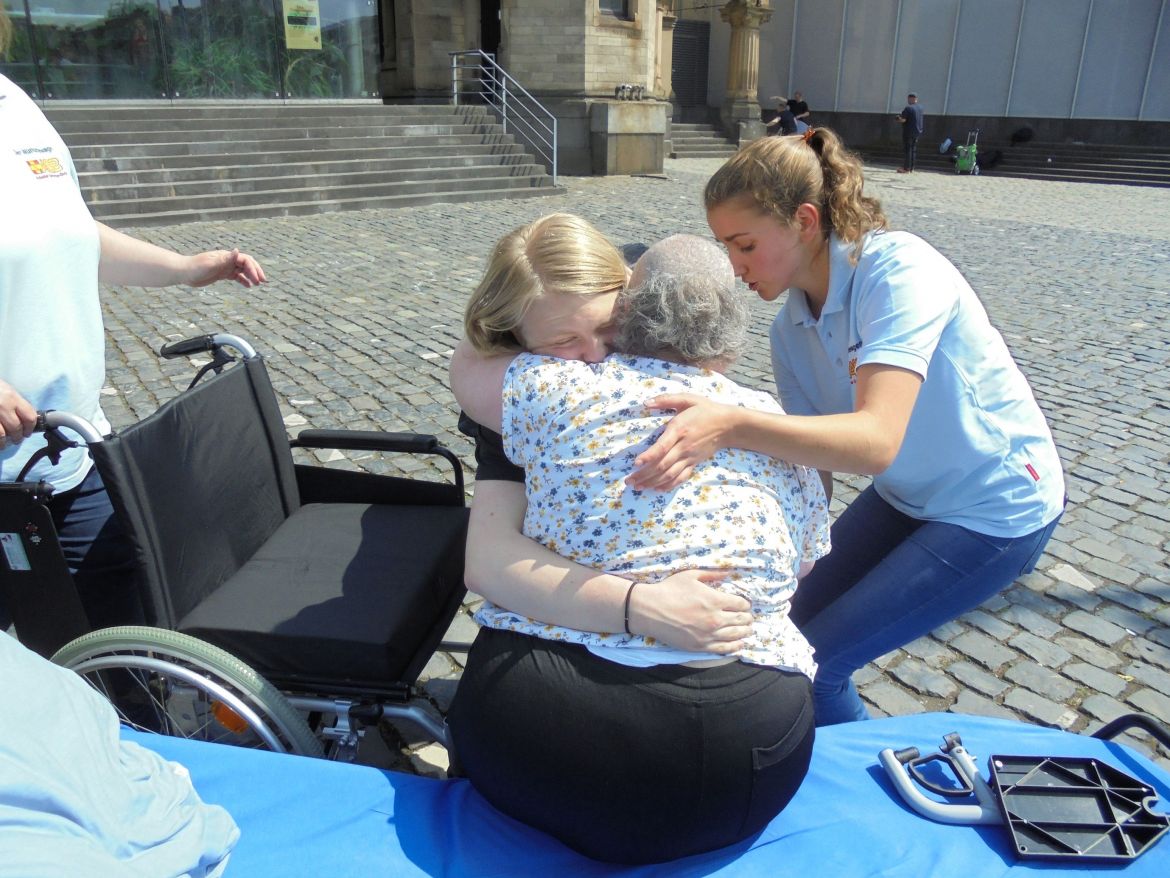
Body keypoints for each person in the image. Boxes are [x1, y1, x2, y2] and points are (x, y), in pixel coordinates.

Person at [624, 130, 1065, 727]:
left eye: (745, 245)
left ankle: (853, 788)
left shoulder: (897, 270)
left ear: (804, 221)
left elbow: (875, 441)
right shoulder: (790, 330)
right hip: (908, 495)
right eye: (726, 248)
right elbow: (814, 469)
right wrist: (777, 557)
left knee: (816, 664)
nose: (733, 268)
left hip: (994, 505)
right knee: (779, 627)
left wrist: (730, 426)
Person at [448, 226, 828, 864]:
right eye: (563, 340)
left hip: (555, 737)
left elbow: (468, 366)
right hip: (754, 760)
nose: (595, 355)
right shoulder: (772, 423)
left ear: (631, 308)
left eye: (606, 328)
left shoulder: (539, 390)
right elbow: (806, 560)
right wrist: (647, 600)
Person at [0, 39, 266, 634]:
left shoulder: (13, 101)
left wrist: (183, 267)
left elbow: (68, 231)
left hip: (68, 445)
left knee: (121, 638)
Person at [897, 93, 924, 173]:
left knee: (908, 150)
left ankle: (906, 168)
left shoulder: (908, 108)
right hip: (917, 131)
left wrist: (898, 119)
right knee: (913, 149)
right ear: (916, 99)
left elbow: (903, 120)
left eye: (908, 99)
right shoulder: (920, 108)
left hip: (908, 131)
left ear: (909, 99)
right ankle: (912, 167)